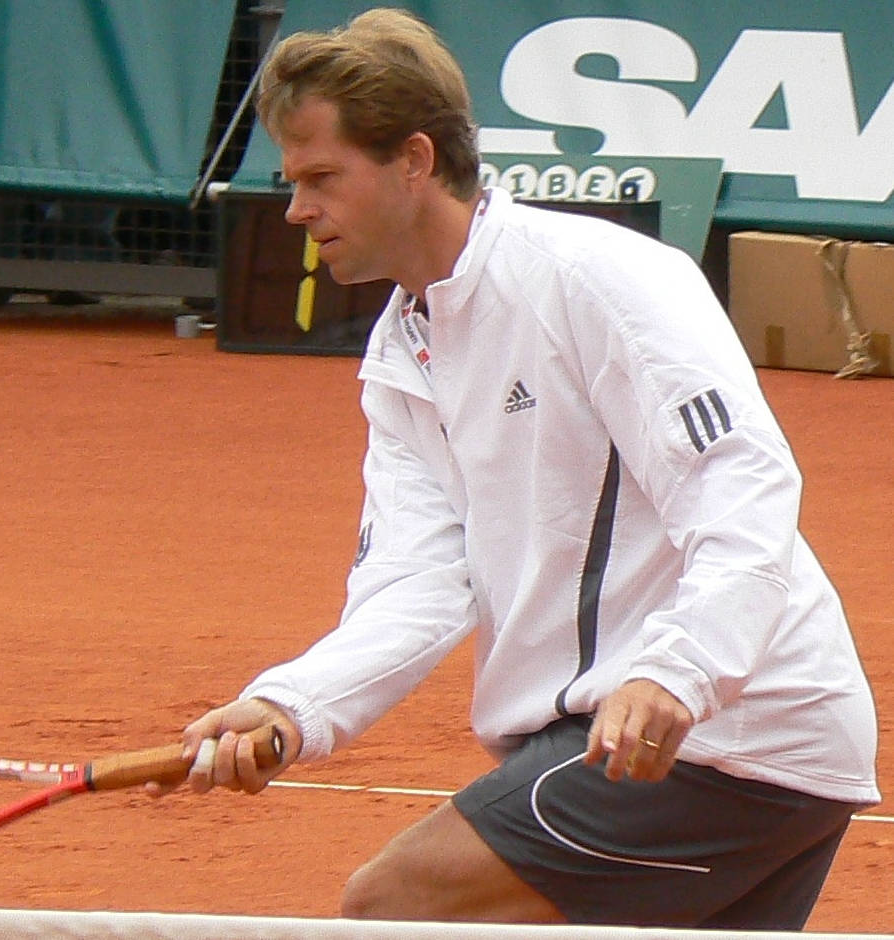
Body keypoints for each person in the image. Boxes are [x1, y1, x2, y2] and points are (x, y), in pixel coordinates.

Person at [153, 7, 881, 931]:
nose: (296, 208)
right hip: (672, 738)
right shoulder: (403, 353)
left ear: (414, 161)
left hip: (722, 731)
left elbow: (742, 483)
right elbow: (420, 580)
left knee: (394, 901)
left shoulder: (599, 280)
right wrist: (289, 705)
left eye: (320, 177)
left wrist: (677, 673)